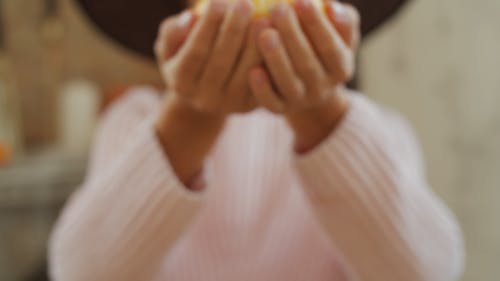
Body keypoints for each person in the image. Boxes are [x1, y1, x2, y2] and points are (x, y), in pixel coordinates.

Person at [48, 0, 465, 280]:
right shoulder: (137, 122)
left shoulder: (375, 133)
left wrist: (321, 113)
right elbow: (79, 270)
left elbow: (429, 270)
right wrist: (189, 116)